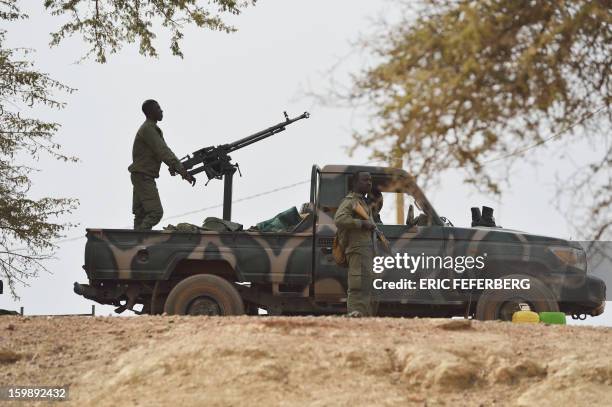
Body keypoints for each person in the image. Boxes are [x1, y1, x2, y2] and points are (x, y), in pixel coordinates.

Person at [128, 99, 196, 230]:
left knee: (141, 214)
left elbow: (160, 152)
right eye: (158, 108)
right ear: (150, 112)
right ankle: (140, 238)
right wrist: (182, 171)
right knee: (155, 213)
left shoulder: (150, 128)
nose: (161, 111)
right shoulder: (148, 129)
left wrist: (174, 167)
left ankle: (135, 241)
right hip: (143, 177)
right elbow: (163, 151)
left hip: (140, 176)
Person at [334, 170, 378, 317]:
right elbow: (339, 219)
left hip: (365, 250)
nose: (369, 183)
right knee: (357, 286)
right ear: (355, 183)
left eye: (370, 180)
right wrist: (362, 224)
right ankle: (355, 317)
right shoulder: (351, 201)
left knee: (365, 286)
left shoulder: (362, 202)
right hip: (357, 249)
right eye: (365, 180)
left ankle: (363, 317)